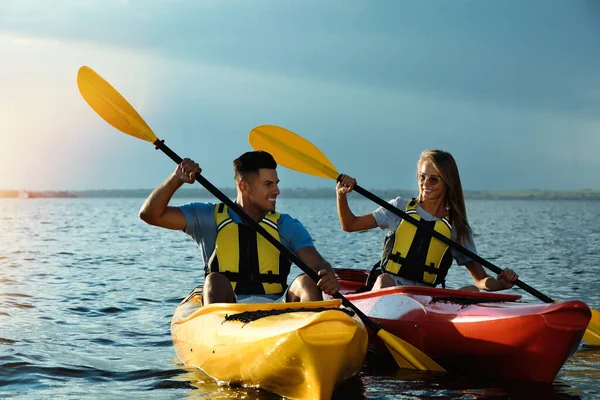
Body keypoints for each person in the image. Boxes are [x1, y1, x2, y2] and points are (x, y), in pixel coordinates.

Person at [139, 150, 339, 305]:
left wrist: (326, 274)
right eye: (268, 184)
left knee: (307, 281)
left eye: (276, 183)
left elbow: (318, 264)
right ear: (244, 186)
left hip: (277, 306)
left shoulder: (286, 225)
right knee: (214, 280)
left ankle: (314, 337)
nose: (277, 190)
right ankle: (219, 342)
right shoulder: (208, 217)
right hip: (228, 309)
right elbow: (150, 214)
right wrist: (176, 179)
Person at [336, 149, 518, 292]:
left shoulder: (456, 227)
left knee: (472, 291)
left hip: (426, 297)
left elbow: (480, 280)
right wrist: (341, 195)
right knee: (383, 279)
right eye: (422, 177)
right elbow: (350, 225)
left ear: (448, 183)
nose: (425, 184)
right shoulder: (398, 208)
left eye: (433, 179)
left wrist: (501, 284)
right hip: (390, 289)